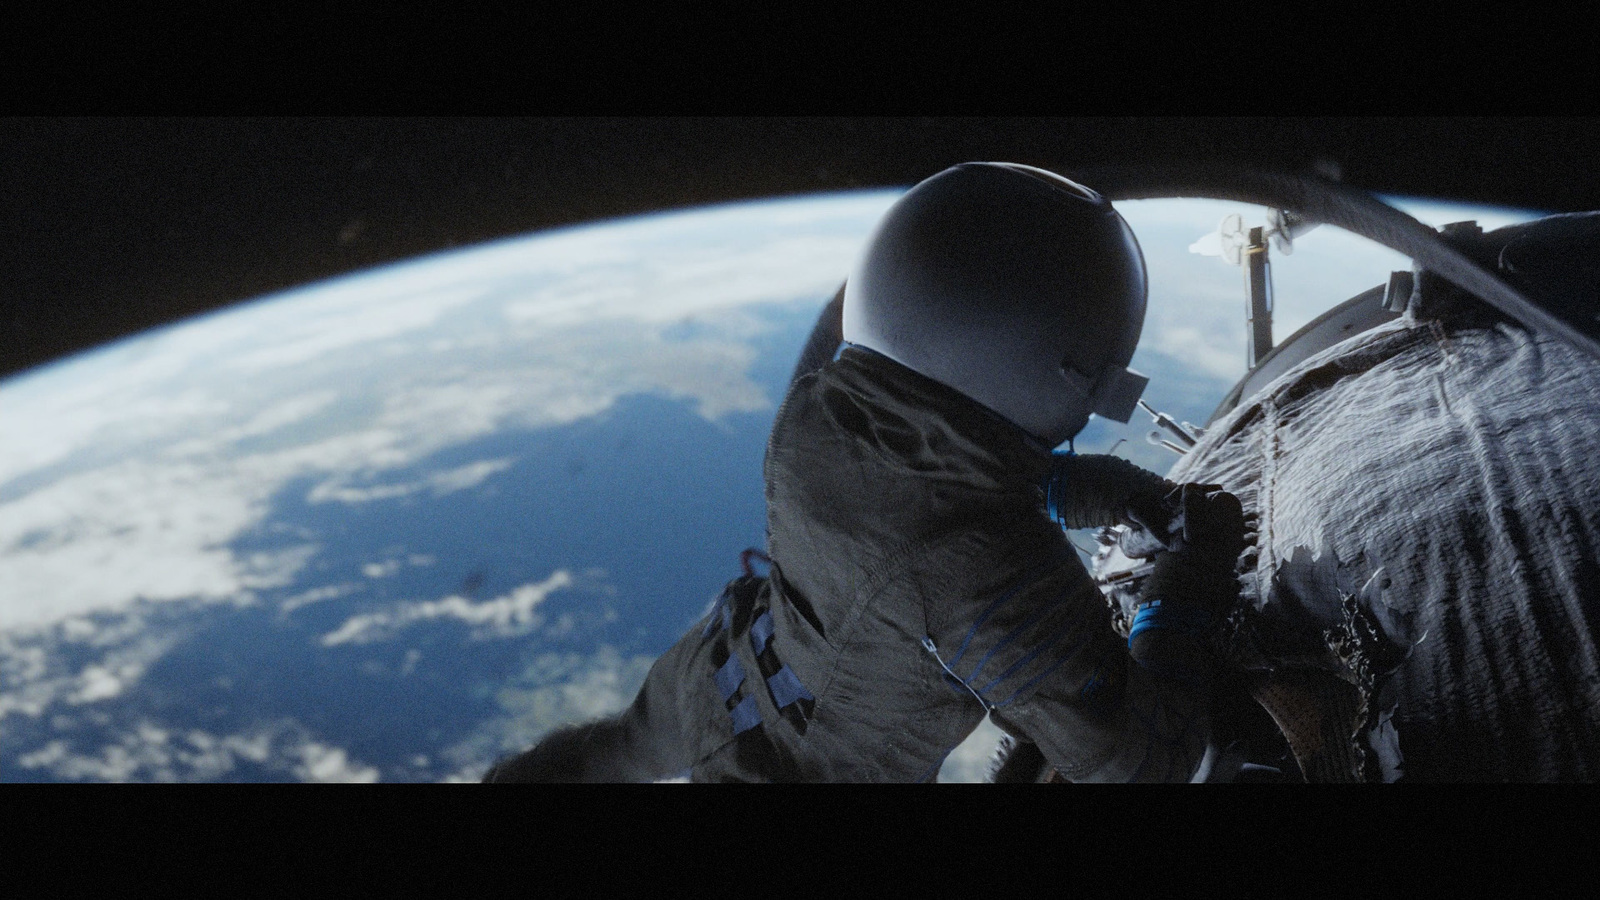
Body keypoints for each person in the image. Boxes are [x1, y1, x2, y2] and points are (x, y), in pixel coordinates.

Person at [482, 162, 1247, 783]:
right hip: (797, 771)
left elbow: (977, 494)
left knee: (599, 757)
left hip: (712, 679)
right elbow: (1138, 761)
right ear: (1074, 378)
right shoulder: (992, 573)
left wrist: (1133, 498)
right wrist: (1185, 584)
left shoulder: (819, 413)